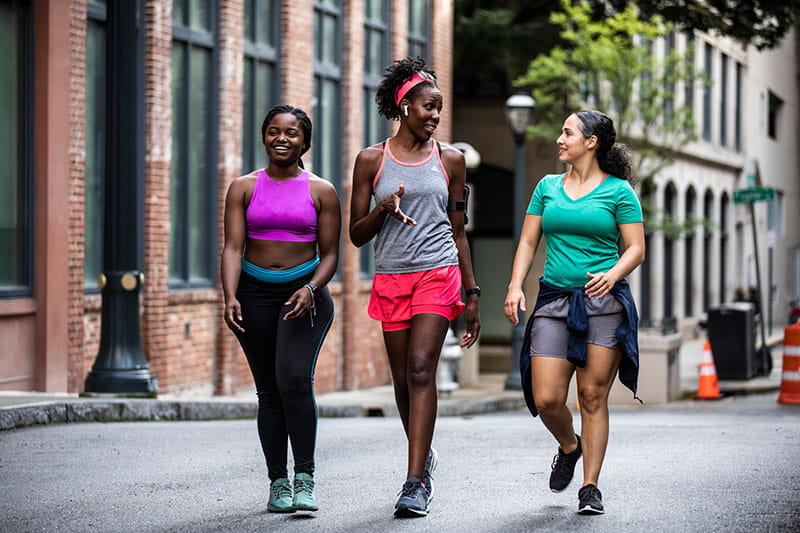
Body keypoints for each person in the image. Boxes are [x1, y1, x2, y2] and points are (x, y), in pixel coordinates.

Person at [349, 57, 481, 517]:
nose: (435, 116)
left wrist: (472, 294)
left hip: (437, 272)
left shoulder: (451, 161)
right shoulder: (371, 159)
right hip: (391, 276)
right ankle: (424, 457)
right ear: (404, 106)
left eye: (439, 109)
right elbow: (356, 235)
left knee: (422, 369)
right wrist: (382, 208)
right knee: (404, 380)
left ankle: (414, 481)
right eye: (428, 106)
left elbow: (459, 230)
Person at [503, 110, 645, 515]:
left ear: (591, 141)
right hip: (553, 301)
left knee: (591, 395)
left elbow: (636, 247)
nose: (560, 139)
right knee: (546, 398)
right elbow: (529, 242)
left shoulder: (619, 192)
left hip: (605, 304)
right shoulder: (547, 187)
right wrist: (515, 286)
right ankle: (570, 446)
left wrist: (613, 272)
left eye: (567, 132)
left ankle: (590, 486)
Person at [221, 105, 341, 513]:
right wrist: (230, 295)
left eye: (291, 133)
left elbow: (330, 255)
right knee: (269, 391)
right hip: (253, 295)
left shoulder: (321, 191)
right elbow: (233, 247)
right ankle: (278, 482)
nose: (281, 139)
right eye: (273, 131)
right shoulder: (242, 187)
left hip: (303, 295)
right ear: (264, 137)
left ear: (304, 142)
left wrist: (311, 287)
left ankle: (305, 477)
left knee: (293, 378)